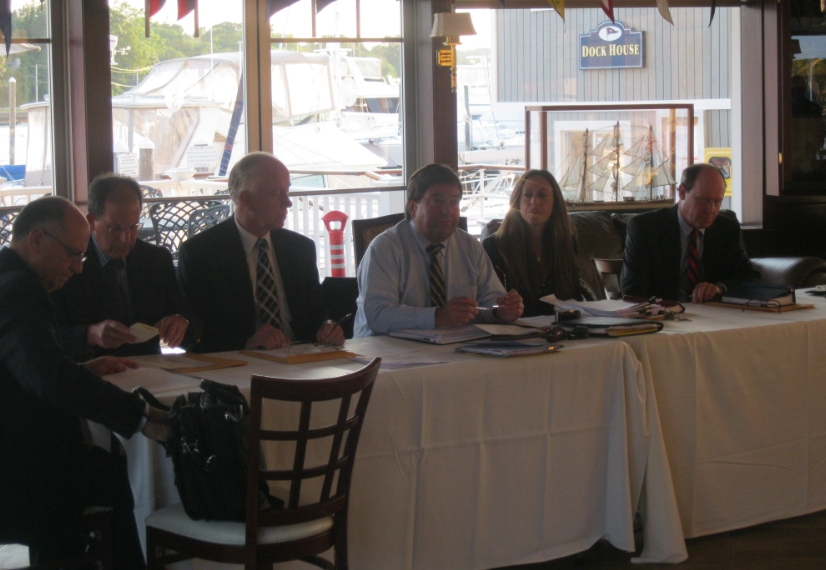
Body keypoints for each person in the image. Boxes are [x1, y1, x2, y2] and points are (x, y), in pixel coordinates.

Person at [0, 196, 168, 568]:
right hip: (17, 468)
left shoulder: (8, 275)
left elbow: (24, 368)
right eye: (73, 255)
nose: (78, 268)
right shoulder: (20, 290)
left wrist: (85, 370)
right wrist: (141, 416)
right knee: (120, 480)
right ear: (37, 239)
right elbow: (50, 379)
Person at [178, 152, 344, 353]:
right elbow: (195, 334)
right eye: (276, 193)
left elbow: (317, 314)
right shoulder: (202, 253)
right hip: (239, 365)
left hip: (301, 360)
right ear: (246, 200)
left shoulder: (299, 248)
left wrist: (328, 326)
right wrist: (245, 342)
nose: (288, 203)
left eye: (287, 191)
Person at [354, 163, 523, 337]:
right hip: (384, 353)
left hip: (451, 348)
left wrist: (501, 310)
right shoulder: (385, 248)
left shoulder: (469, 246)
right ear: (413, 208)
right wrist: (438, 316)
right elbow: (378, 316)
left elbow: (489, 301)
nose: (447, 211)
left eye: (454, 202)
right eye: (437, 201)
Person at [53, 174, 196, 359]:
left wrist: (180, 321)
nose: (126, 239)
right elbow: (45, 336)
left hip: (149, 371)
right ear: (91, 221)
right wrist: (89, 334)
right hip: (88, 372)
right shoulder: (67, 263)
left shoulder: (156, 259)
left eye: (133, 227)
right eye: (115, 228)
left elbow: (185, 309)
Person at [621, 163, 759, 303]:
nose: (711, 209)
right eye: (703, 200)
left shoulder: (727, 229)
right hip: (663, 313)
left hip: (713, 315)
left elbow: (749, 277)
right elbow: (632, 290)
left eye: (717, 201)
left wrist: (719, 288)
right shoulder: (646, 228)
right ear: (682, 192)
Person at [482, 170, 581, 316]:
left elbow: (575, 297)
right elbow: (487, 303)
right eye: (528, 195)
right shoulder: (494, 246)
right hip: (515, 329)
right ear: (517, 201)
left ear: (555, 202)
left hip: (560, 330)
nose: (535, 201)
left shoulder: (567, 242)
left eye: (542, 195)